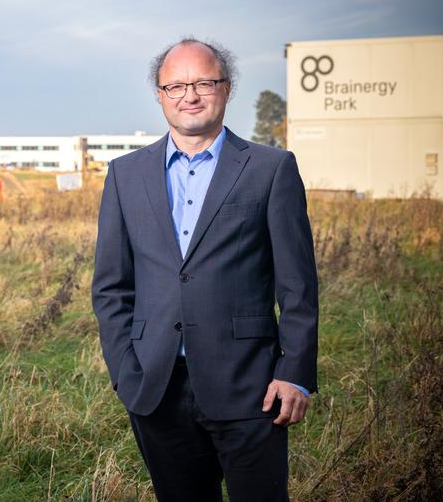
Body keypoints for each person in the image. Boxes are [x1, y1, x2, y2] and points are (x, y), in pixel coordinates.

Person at [91, 38, 318, 502]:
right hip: (155, 387)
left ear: (226, 88)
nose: (189, 95)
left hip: (252, 386)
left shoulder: (271, 168)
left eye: (203, 83)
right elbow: (111, 287)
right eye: (175, 85)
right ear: (160, 94)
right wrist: (125, 372)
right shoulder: (124, 175)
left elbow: (297, 284)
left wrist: (293, 372)